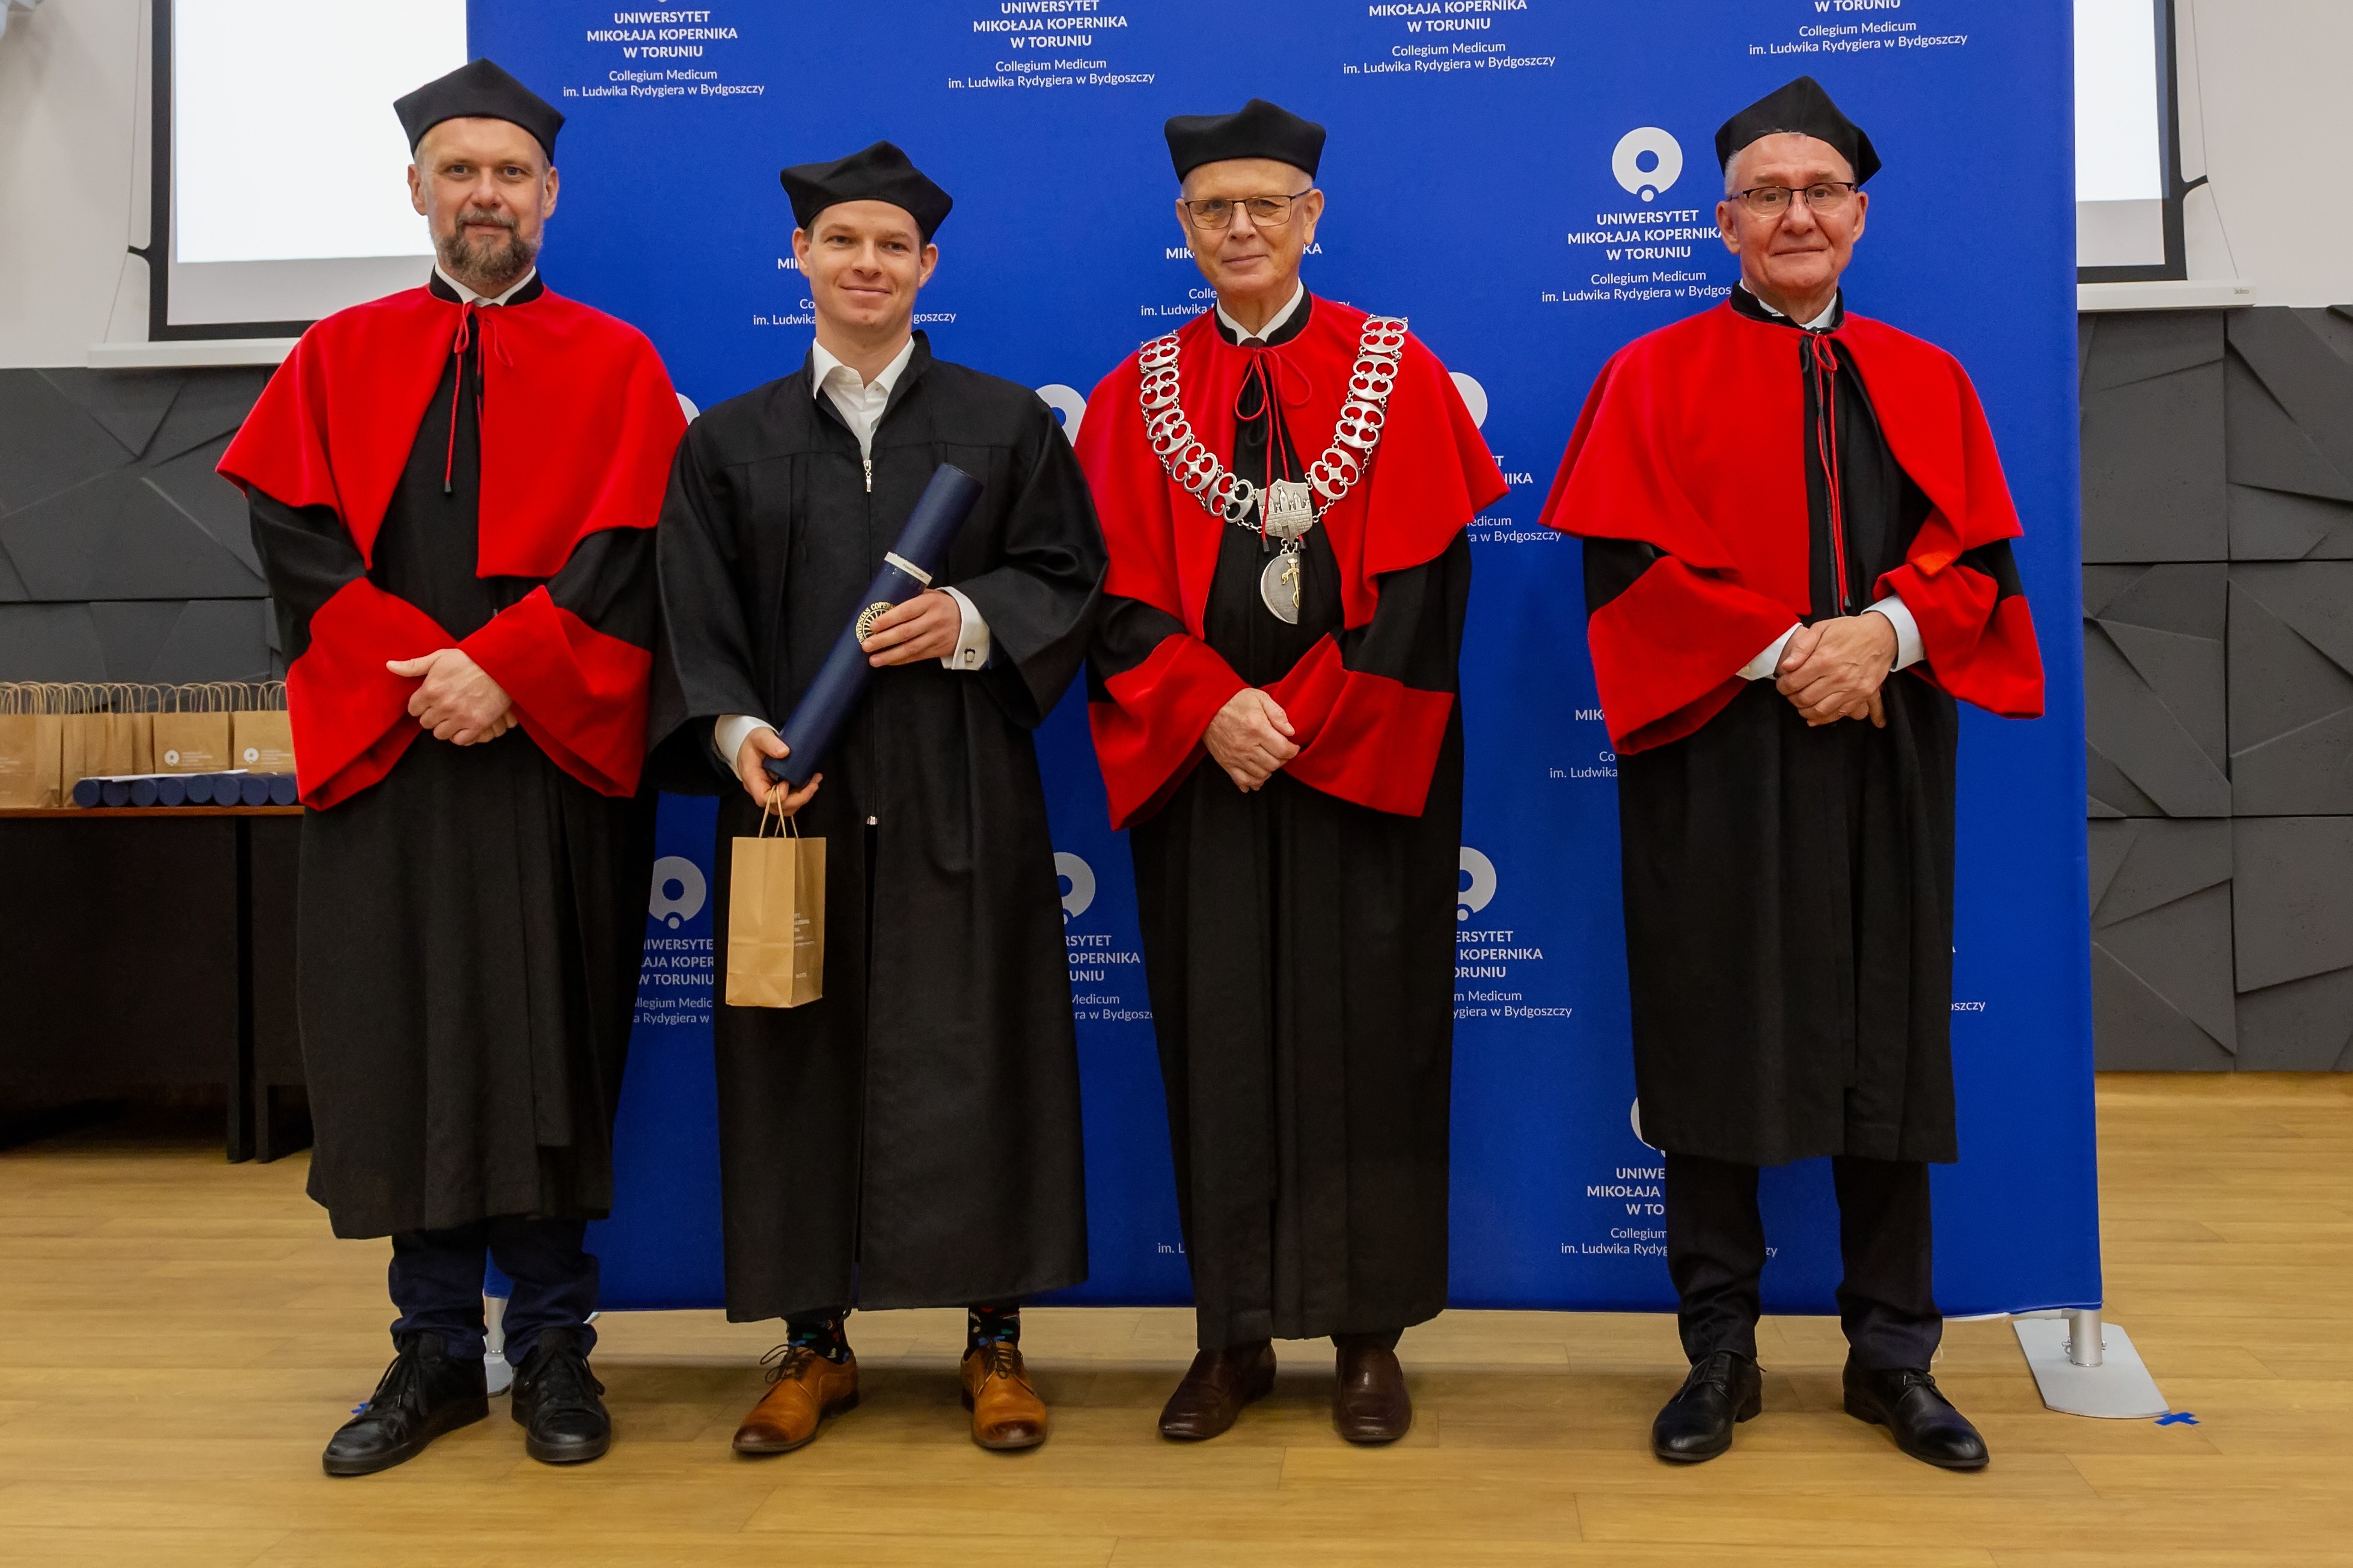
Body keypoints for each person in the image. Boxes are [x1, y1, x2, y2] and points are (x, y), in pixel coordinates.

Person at [1537, 76, 2045, 1470]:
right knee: (1710, 1032)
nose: (1797, 215)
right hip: (1716, 751)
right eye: (1768, 195)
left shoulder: (1928, 379)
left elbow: (1976, 563)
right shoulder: (1650, 377)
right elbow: (1625, 568)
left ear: (1858, 216)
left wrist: (1880, 636)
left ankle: (1892, 1357)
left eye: (1820, 192)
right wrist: (1782, 652)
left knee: (1891, 1037)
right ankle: (1718, 1352)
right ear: (1724, 224)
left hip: (1886, 745)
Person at [217, 58, 685, 1474]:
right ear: (416, 189)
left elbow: (626, 559)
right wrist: (426, 680)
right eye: (460, 171)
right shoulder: (335, 355)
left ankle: (550, 1344)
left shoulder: (617, 362)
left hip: (549, 762)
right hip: (392, 762)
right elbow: (300, 552)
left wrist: (508, 673)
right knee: (400, 1038)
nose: (487, 194)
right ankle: (431, 1347)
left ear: (551, 195)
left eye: (511, 173)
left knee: (552, 1040)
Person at [648, 141, 1106, 1454]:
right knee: (793, 1057)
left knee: (981, 1046)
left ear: (928, 266)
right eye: (842, 241)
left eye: (892, 246)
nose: (867, 264)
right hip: (791, 798)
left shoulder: (1004, 424)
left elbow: (1068, 576)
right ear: (799, 255)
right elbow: (692, 616)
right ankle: (814, 1344)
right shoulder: (728, 442)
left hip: (960, 789)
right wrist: (736, 730)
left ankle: (994, 1338)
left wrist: (970, 616)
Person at [1075, 99, 1507, 1445]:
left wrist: (1300, 716)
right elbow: (1105, 601)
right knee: (1218, 1039)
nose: (1242, 226)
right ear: (1184, 225)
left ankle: (1369, 1336)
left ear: (1311, 215)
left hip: (1362, 769)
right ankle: (1233, 1333)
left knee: (1374, 1036)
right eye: (1216, 208)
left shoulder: (1396, 370)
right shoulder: (1135, 392)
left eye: (1266, 203)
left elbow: (1426, 593)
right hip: (1202, 771)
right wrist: (1211, 707)